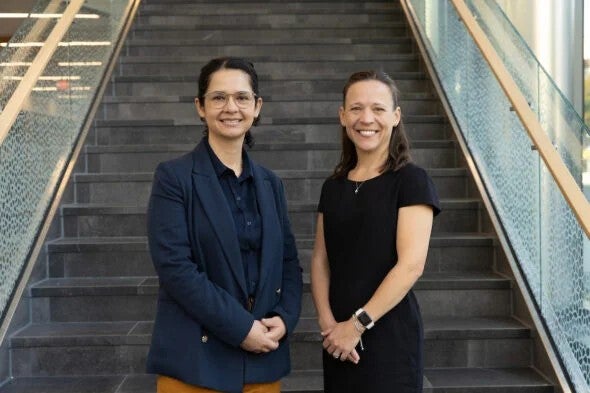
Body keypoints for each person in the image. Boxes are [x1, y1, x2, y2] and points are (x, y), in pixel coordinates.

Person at [146, 57, 303, 393]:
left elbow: (287, 261)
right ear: (200, 107)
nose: (231, 107)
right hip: (196, 364)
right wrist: (241, 329)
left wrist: (286, 318)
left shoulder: (270, 183)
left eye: (242, 97)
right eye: (218, 97)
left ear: (257, 107)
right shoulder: (174, 178)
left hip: (263, 359)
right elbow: (175, 268)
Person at [310, 71, 441, 392]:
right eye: (355, 108)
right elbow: (320, 260)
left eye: (378, 109)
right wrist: (329, 325)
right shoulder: (333, 186)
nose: (366, 118)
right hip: (338, 338)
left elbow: (411, 265)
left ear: (396, 117)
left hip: (387, 334)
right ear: (342, 116)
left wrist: (357, 325)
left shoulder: (411, 180)